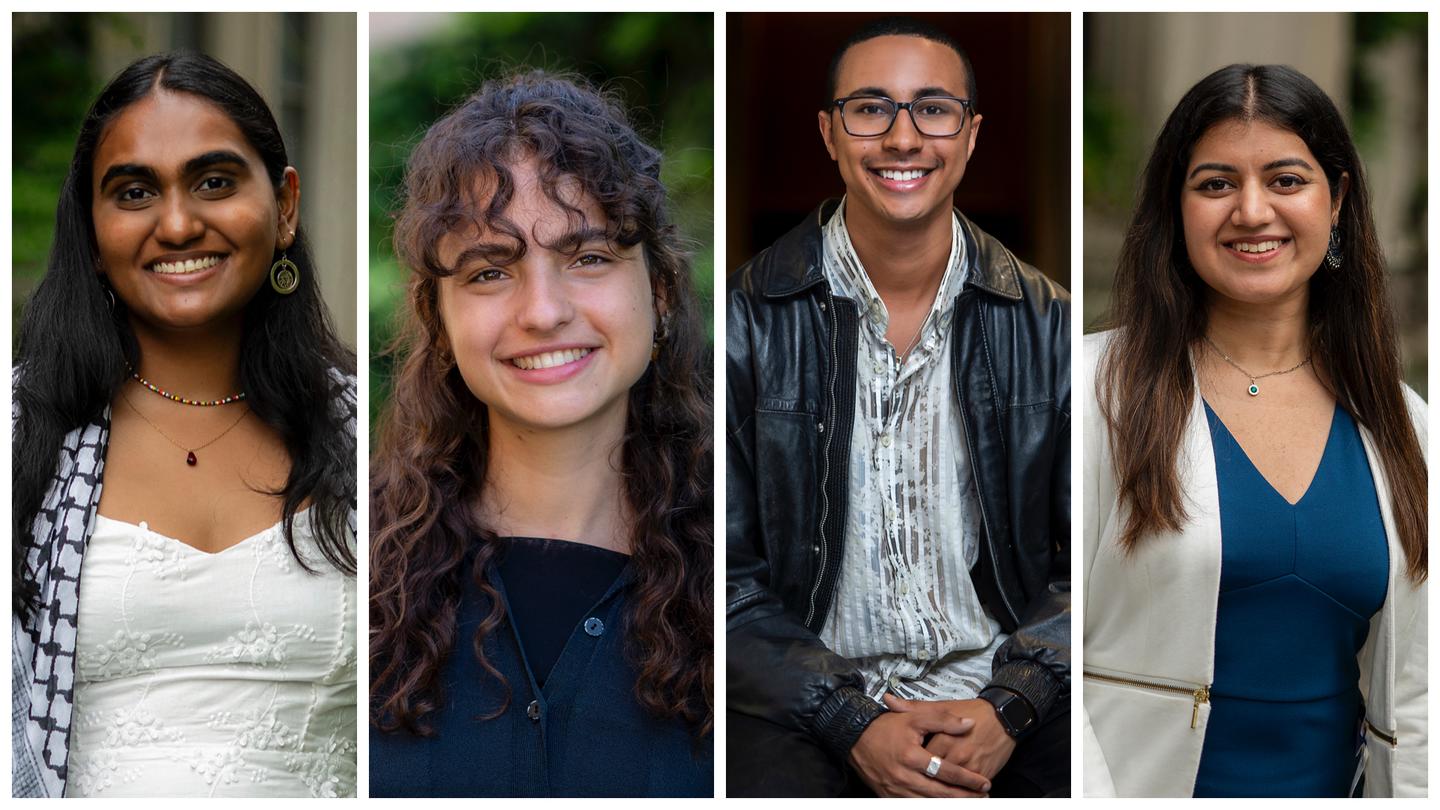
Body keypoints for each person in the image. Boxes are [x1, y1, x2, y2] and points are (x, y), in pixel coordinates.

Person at [726, 17, 1070, 798]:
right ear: (829, 132)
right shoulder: (746, 322)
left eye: (934, 108)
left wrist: (1011, 705)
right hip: (805, 705)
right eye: (871, 108)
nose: (903, 137)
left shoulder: (1047, 325)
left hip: (1006, 697)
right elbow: (725, 577)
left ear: (972, 133)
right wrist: (850, 719)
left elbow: (1086, 564)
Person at [11, 53, 358, 798]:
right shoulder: (18, 437)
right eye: (134, 192)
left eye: (214, 182)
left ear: (285, 205)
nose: (177, 223)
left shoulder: (371, 437)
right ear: (92, 230)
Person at [1082, 63, 1427, 798]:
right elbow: (1046, 635)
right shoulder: (1093, 392)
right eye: (1214, 184)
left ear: (1335, 200)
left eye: (1285, 180)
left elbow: (1421, 693)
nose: (1251, 210)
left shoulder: (1406, 424)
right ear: (1175, 208)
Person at [367, 71, 713, 798]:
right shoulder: (348, 576)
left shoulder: (750, 573)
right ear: (440, 318)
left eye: (587, 258)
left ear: (659, 291)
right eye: (491, 270)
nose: (544, 311)